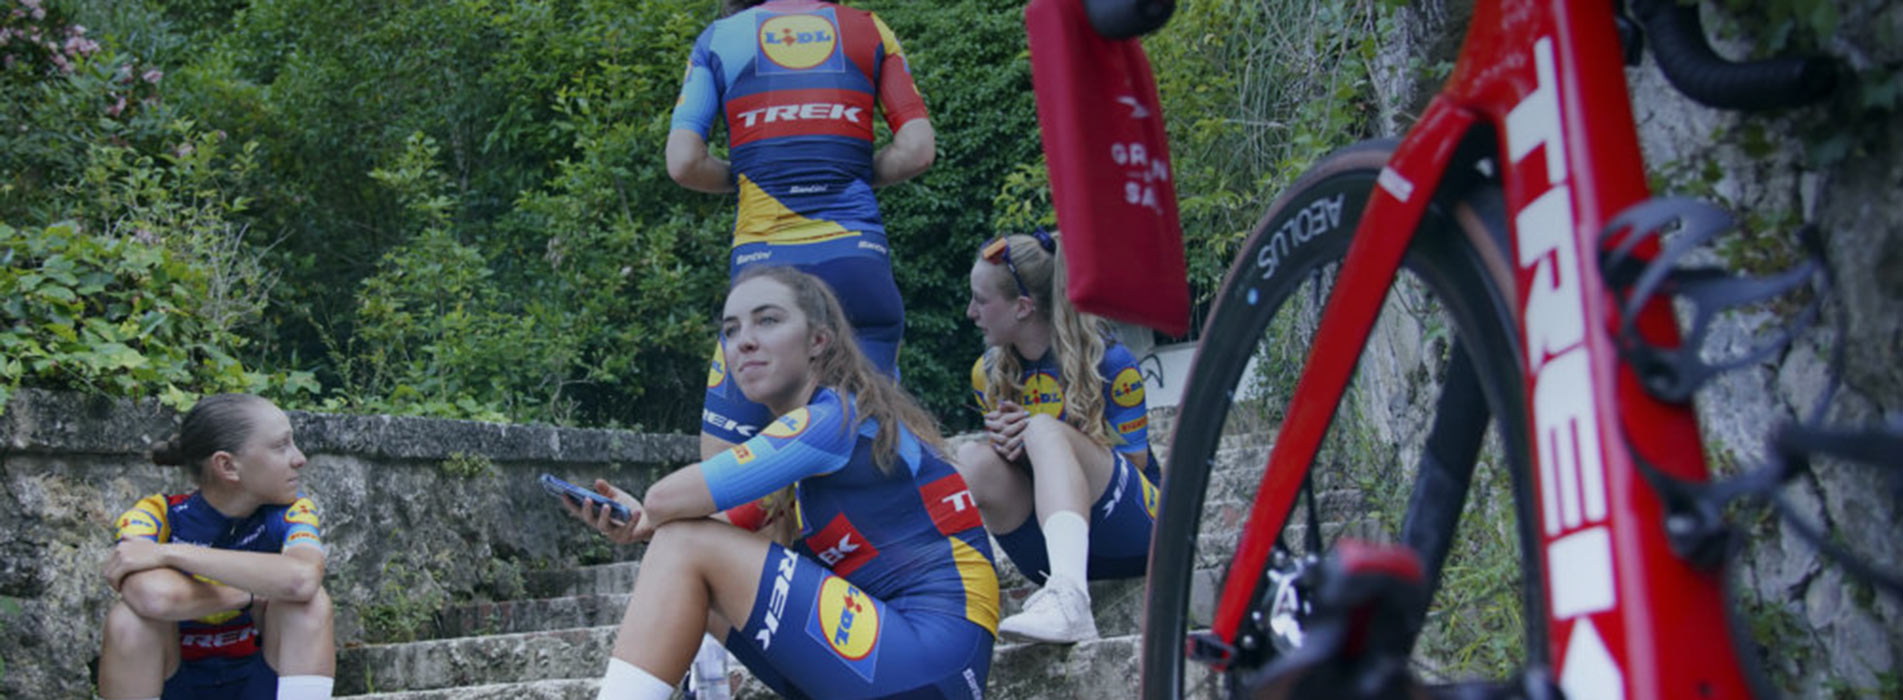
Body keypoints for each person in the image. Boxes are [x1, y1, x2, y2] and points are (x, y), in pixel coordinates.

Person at [566, 266, 998, 700]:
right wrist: (641, 523)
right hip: (905, 666)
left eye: (767, 320)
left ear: (818, 341)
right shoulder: (813, 444)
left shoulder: (831, 421)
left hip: (930, 661)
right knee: (687, 560)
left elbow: (667, 503)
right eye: (731, 330)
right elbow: (695, 530)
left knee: (684, 544)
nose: (744, 341)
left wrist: (652, 513)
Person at [667, 0, 938, 461]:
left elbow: (684, 162)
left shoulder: (720, 37)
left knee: (729, 472)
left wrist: (750, 175)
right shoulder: (869, 29)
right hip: (858, 259)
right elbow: (917, 150)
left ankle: (768, 537)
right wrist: (847, 174)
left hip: (766, 266)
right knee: (873, 457)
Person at [956, 228, 1160, 644]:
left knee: (1044, 428)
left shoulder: (1111, 362)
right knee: (972, 460)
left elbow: (1134, 467)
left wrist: (1043, 437)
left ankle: (1070, 603)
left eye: (980, 299)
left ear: (1023, 307)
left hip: (1137, 533)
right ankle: (951, 606)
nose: (970, 313)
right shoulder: (988, 373)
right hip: (1048, 551)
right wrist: (1011, 449)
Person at [97, 393, 335, 700]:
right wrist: (248, 596)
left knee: (311, 603)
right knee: (128, 620)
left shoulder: (293, 510)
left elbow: (302, 578)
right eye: (281, 446)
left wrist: (169, 553)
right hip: (175, 682)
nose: (299, 458)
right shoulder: (154, 514)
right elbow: (152, 596)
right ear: (228, 466)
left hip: (259, 680)